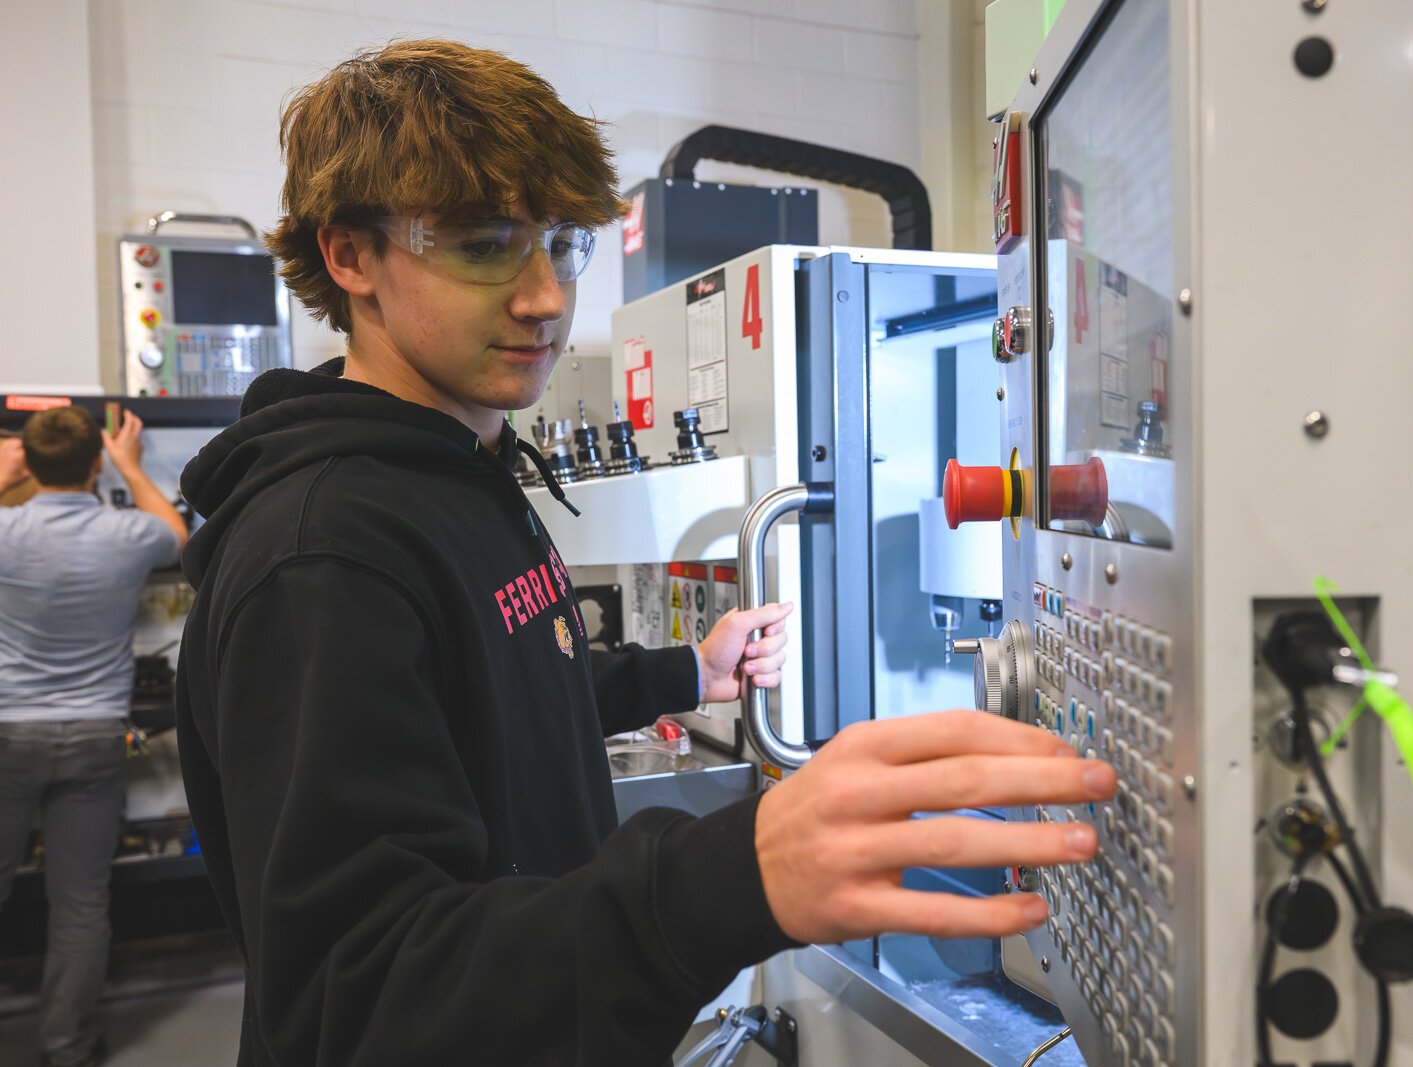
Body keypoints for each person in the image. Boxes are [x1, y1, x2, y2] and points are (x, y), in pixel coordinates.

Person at [176, 38, 1117, 1066]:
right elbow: (361, 1002)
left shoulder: (460, 472)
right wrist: (734, 873)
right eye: (487, 245)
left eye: (562, 243)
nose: (544, 297)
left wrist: (685, 672)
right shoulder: (323, 555)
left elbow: (504, 688)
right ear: (351, 256)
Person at [0, 407, 188, 1067]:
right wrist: (131, 467)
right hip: (95, 735)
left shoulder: (6, 529)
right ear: (95, 463)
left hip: (9, 735)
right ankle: (67, 1046)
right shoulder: (125, 533)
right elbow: (179, 536)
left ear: (29, 461)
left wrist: (5, 474)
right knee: (79, 901)